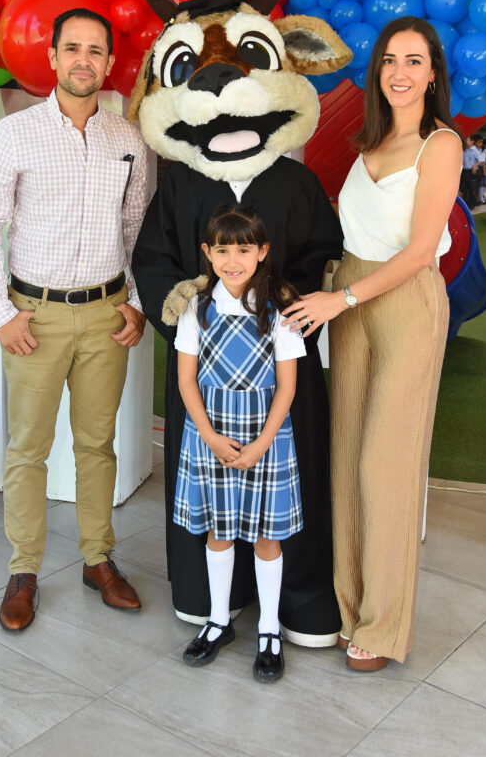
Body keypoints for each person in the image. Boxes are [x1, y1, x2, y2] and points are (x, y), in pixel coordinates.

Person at [282, 15, 463, 671]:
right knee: (343, 459)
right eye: (390, 59)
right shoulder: (368, 143)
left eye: (414, 61)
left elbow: (419, 253)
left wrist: (342, 298)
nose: (400, 72)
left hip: (403, 304)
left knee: (383, 468)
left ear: (432, 74)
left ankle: (384, 627)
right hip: (350, 299)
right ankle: (348, 603)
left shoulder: (439, 145)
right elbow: (343, 237)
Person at [0, 7, 149, 632]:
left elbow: (136, 229)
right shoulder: (15, 135)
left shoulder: (128, 139)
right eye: (72, 48)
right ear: (51, 57)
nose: (83, 60)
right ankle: (23, 571)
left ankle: (98, 558)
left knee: (97, 445)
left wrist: (137, 302)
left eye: (95, 51)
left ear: (107, 62)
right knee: (28, 450)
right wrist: (0, 314)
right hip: (33, 318)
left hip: (105, 316)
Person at [174, 204, 306, 683]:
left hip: (265, 437)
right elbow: (187, 380)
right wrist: (208, 436)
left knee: (267, 537)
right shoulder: (197, 308)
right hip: (211, 435)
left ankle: (269, 630)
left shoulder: (278, 311)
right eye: (223, 249)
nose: (234, 259)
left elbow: (287, 388)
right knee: (219, 530)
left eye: (244, 249)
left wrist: (261, 444)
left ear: (262, 252)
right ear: (208, 254)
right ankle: (218, 620)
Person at [460, 135, 483, 209]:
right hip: (465, 171)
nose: (466, 142)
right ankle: (465, 204)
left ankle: (471, 204)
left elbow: (481, 161)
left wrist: (474, 166)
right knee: (464, 188)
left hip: (472, 172)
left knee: (473, 189)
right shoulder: (465, 150)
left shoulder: (475, 151)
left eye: (467, 140)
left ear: (472, 141)